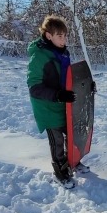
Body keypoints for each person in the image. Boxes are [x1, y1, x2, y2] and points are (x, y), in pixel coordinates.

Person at [27, 15, 89, 189]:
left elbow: (68, 78)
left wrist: (85, 86)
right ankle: (60, 172)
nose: (64, 39)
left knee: (72, 133)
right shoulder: (38, 56)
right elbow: (34, 87)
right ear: (48, 36)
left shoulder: (63, 52)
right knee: (57, 141)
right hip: (47, 106)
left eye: (65, 35)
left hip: (62, 103)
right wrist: (58, 95)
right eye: (59, 36)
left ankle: (73, 161)